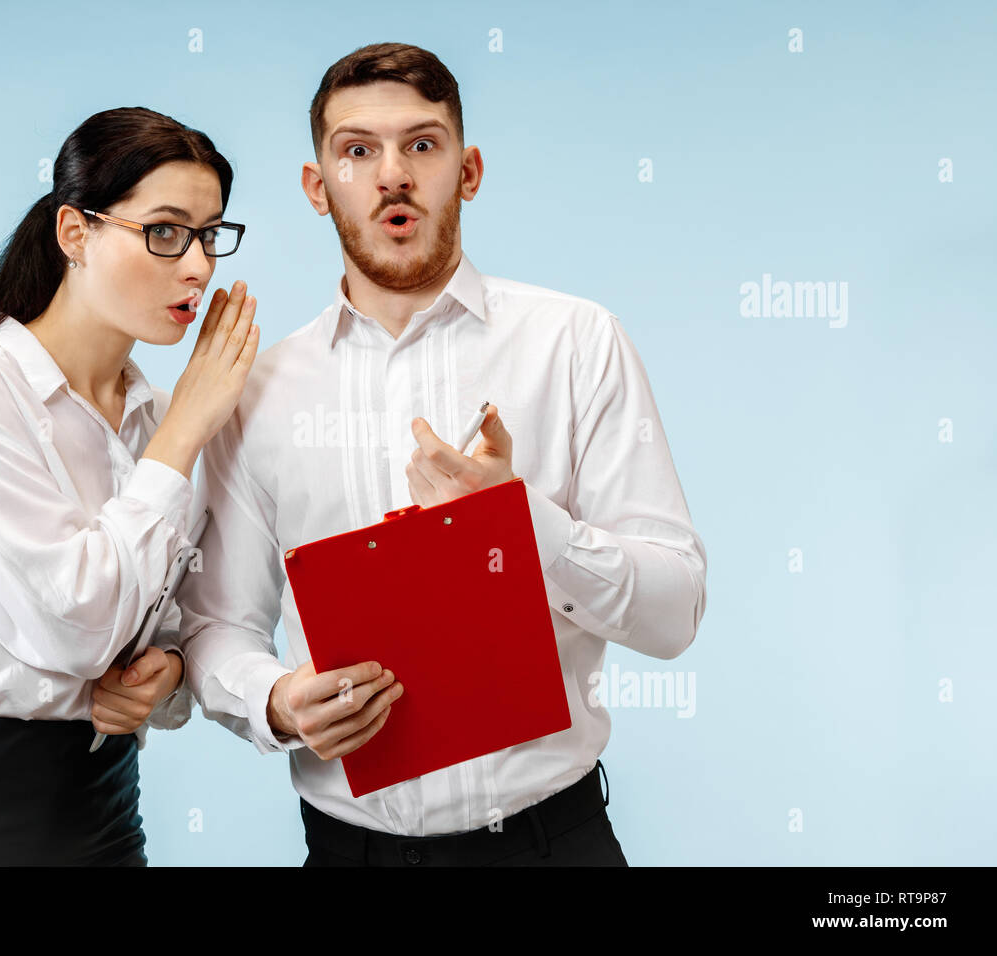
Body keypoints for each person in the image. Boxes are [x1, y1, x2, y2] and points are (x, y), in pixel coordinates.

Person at [100, 43, 708, 867]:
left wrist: (518, 521)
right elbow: (218, 627)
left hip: (552, 844)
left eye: (422, 145)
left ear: (469, 170)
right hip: (352, 853)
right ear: (319, 188)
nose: (393, 174)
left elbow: (674, 614)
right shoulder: (257, 391)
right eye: (358, 150)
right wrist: (276, 701)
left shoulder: (576, 343)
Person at [0, 106, 260, 866]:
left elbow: (164, 625)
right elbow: (76, 627)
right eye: (165, 231)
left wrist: (163, 678)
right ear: (76, 233)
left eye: (209, 234)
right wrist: (182, 438)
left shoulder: (154, 418)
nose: (198, 265)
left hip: (101, 807)